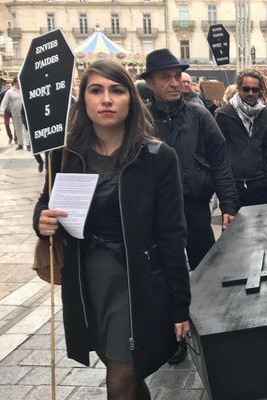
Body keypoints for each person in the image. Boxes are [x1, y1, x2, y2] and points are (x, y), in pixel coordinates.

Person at [33, 60, 191, 400]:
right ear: (84, 100)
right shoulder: (66, 155)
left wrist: (181, 306)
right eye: (96, 90)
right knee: (118, 365)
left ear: (131, 99)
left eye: (117, 90)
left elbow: (172, 235)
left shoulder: (156, 157)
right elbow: (47, 202)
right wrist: (41, 220)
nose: (107, 99)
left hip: (136, 281)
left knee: (121, 375)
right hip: (86, 281)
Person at [143, 49, 238, 364]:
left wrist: (228, 205)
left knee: (205, 271)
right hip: (155, 215)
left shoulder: (199, 115)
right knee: (167, 276)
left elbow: (220, 162)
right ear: (151, 83)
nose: (173, 83)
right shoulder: (141, 119)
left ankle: (209, 330)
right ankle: (175, 336)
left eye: (175, 76)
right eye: (164, 78)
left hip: (195, 208)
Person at [215, 69, 267, 206]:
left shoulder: (265, 115)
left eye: (255, 90)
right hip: (233, 185)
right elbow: (217, 152)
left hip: (259, 184)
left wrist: (266, 177)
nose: (250, 93)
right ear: (238, 89)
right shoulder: (223, 114)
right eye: (246, 89)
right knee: (234, 227)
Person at [0, 77, 26, 150]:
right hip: (16, 114)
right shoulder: (10, 92)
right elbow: (4, 102)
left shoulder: (24, 89)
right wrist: (2, 111)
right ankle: (20, 144)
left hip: (25, 114)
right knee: (18, 129)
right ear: (15, 82)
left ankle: (29, 144)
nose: (20, 83)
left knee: (27, 129)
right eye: (18, 81)